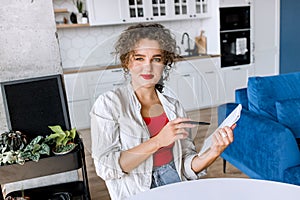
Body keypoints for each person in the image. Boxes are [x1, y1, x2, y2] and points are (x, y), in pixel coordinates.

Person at [90, 23, 235, 200]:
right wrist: (158, 141)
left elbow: (184, 166)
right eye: (139, 58)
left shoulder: (174, 107)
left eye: (156, 59)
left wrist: (213, 152)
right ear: (127, 61)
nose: (148, 67)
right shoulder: (109, 104)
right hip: (136, 191)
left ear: (164, 63)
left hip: (174, 183)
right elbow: (106, 168)